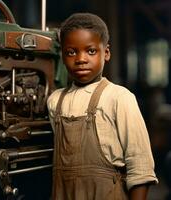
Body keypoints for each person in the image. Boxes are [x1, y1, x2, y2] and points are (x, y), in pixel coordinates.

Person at [47, 13, 158, 200]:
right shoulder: (55, 101)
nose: (81, 59)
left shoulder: (119, 97)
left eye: (90, 51)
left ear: (106, 53)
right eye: (71, 52)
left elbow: (141, 168)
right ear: (62, 55)